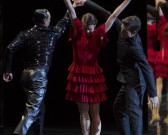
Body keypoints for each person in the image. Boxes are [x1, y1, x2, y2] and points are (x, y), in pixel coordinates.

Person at [72, 0, 159, 134]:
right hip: (126, 79)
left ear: (133, 32)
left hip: (135, 82)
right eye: (122, 29)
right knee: (118, 108)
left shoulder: (135, 47)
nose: (121, 32)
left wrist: (153, 94)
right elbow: (109, 14)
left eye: (125, 32)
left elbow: (147, 68)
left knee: (133, 112)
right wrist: (86, 2)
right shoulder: (122, 27)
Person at [63, 0, 131, 134]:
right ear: (81, 25)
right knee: (83, 112)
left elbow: (114, 15)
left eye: (90, 28)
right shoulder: (77, 29)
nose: (87, 31)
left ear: (95, 25)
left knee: (95, 114)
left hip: (94, 75)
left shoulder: (99, 32)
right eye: (85, 28)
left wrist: (127, 1)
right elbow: (70, 10)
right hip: (78, 75)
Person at [3, 8, 70, 135]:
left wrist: (7, 71)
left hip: (25, 76)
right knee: (33, 109)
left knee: (40, 109)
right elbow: (64, 22)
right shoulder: (52, 33)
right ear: (45, 20)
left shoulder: (26, 33)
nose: (50, 20)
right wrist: (70, 9)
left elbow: (10, 48)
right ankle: (18, 133)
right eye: (49, 18)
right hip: (39, 75)